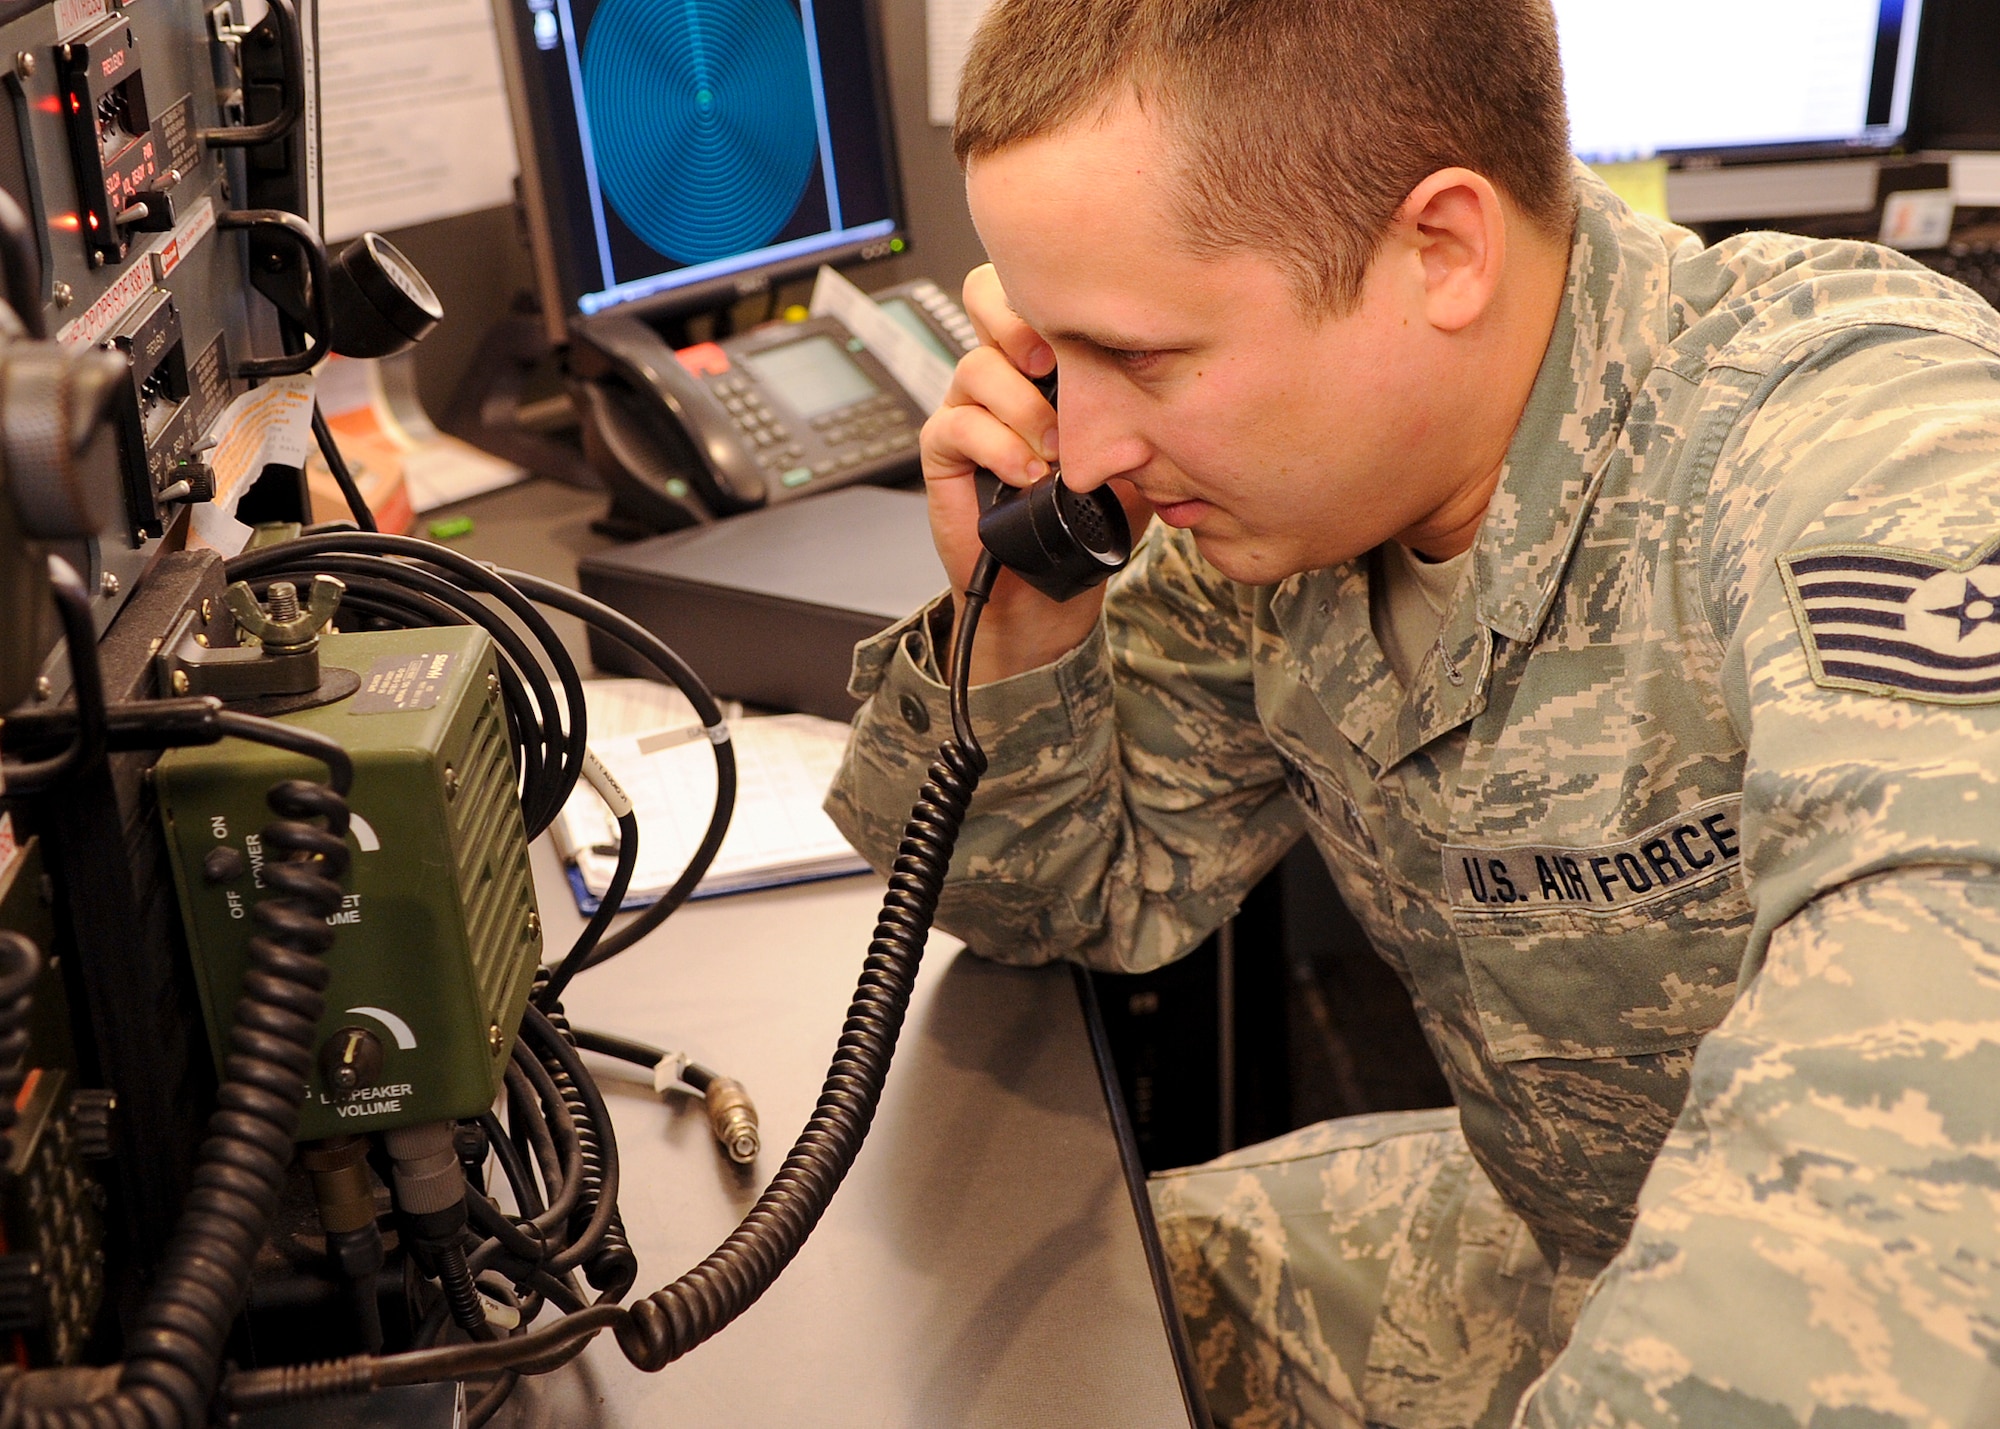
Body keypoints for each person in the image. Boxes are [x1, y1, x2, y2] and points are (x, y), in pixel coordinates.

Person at [824, 0, 2000, 1424]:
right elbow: (1046, 899)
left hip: (1843, 1308)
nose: (1086, 450)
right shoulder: (1281, 515)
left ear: (1440, 251)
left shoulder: (1874, 456)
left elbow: (1918, 1195)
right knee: (1023, 1319)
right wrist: (1024, 614)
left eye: (1142, 355)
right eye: (1058, 359)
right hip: (1559, 1237)